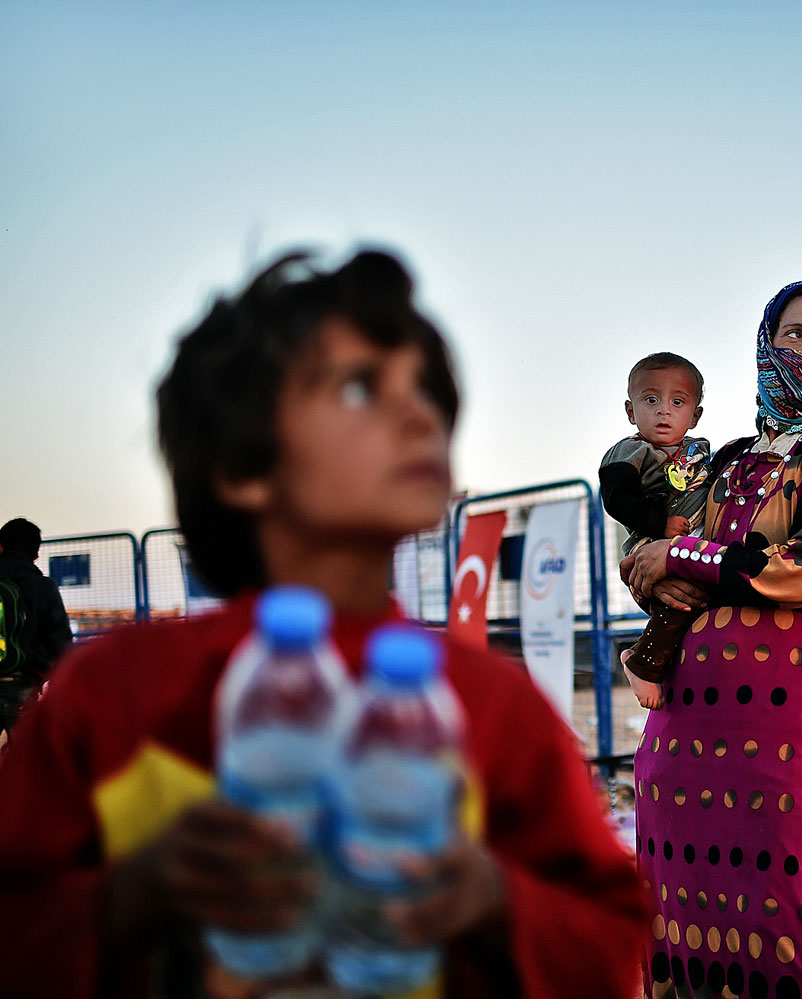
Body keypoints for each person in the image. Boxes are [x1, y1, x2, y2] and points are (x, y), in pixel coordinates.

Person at [0, 250, 649, 999]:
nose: (419, 413)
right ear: (243, 465)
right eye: (359, 386)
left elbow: (610, 941)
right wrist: (131, 899)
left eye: (428, 389)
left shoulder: (491, 705)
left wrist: (492, 899)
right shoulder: (110, 695)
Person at [621, 279, 802, 999]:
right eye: (795, 334)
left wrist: (685, 560)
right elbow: (653, 545)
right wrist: (653, 566)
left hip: (775, 726)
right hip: (679, 727)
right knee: (674, 908)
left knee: (775, 907)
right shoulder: (724, 459)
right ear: (767, 344)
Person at [599, 352, 711, 709]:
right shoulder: (631, 453)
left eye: (677, 402)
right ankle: (642, 663)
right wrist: (658, 523)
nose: (664, 410)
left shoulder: (700, 452)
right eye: (651, 400)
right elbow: (617, 501)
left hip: (692, 543)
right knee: (680, 598)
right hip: (650, 542)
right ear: (631, 411)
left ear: (694, 416)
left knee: (702, 600)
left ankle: (673, 665)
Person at [0, 517, 73, 737]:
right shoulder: (42, 587)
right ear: (35, 555)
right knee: (27, 761)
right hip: (22, 684)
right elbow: (61, 647)